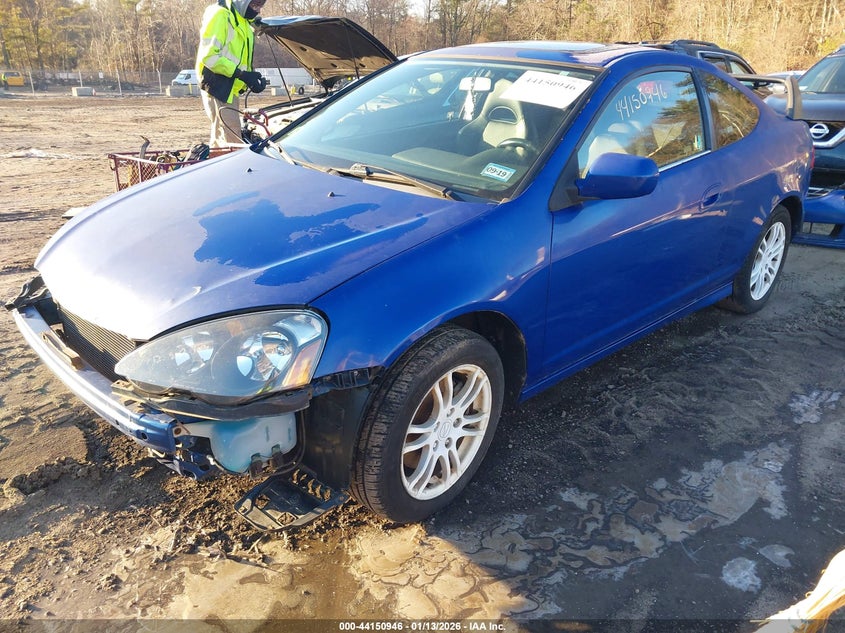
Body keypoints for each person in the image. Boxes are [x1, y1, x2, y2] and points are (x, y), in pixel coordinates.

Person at [195, 0, 268, 147]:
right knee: (233, 142)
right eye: (255, 5)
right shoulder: (220, 15)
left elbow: (239, 56)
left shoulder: (243, 20)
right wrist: (242, 75)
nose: (258, 10)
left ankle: (216, 161)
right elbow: (209, 57)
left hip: (230, 87)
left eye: (261, 6)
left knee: (220, 141)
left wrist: (249, 79)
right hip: (218, 85)